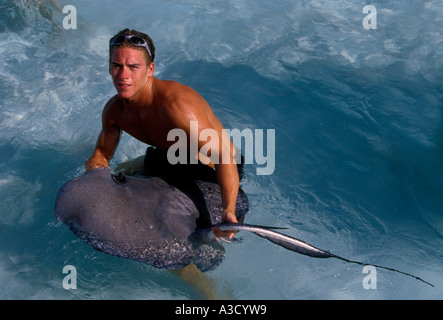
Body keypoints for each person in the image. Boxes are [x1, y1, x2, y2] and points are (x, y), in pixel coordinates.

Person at [84, 28, 239, 239]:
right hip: (169, 157)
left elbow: (223, 157)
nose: (123, 76)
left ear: (150, 69)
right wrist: (94, 184)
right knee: (120, 175)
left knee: (166, 229)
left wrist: (228, 210)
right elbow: (100, 155)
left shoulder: (177, 107)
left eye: (133, 67)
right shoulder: (115, 111)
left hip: (210, 170)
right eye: (116, 66)